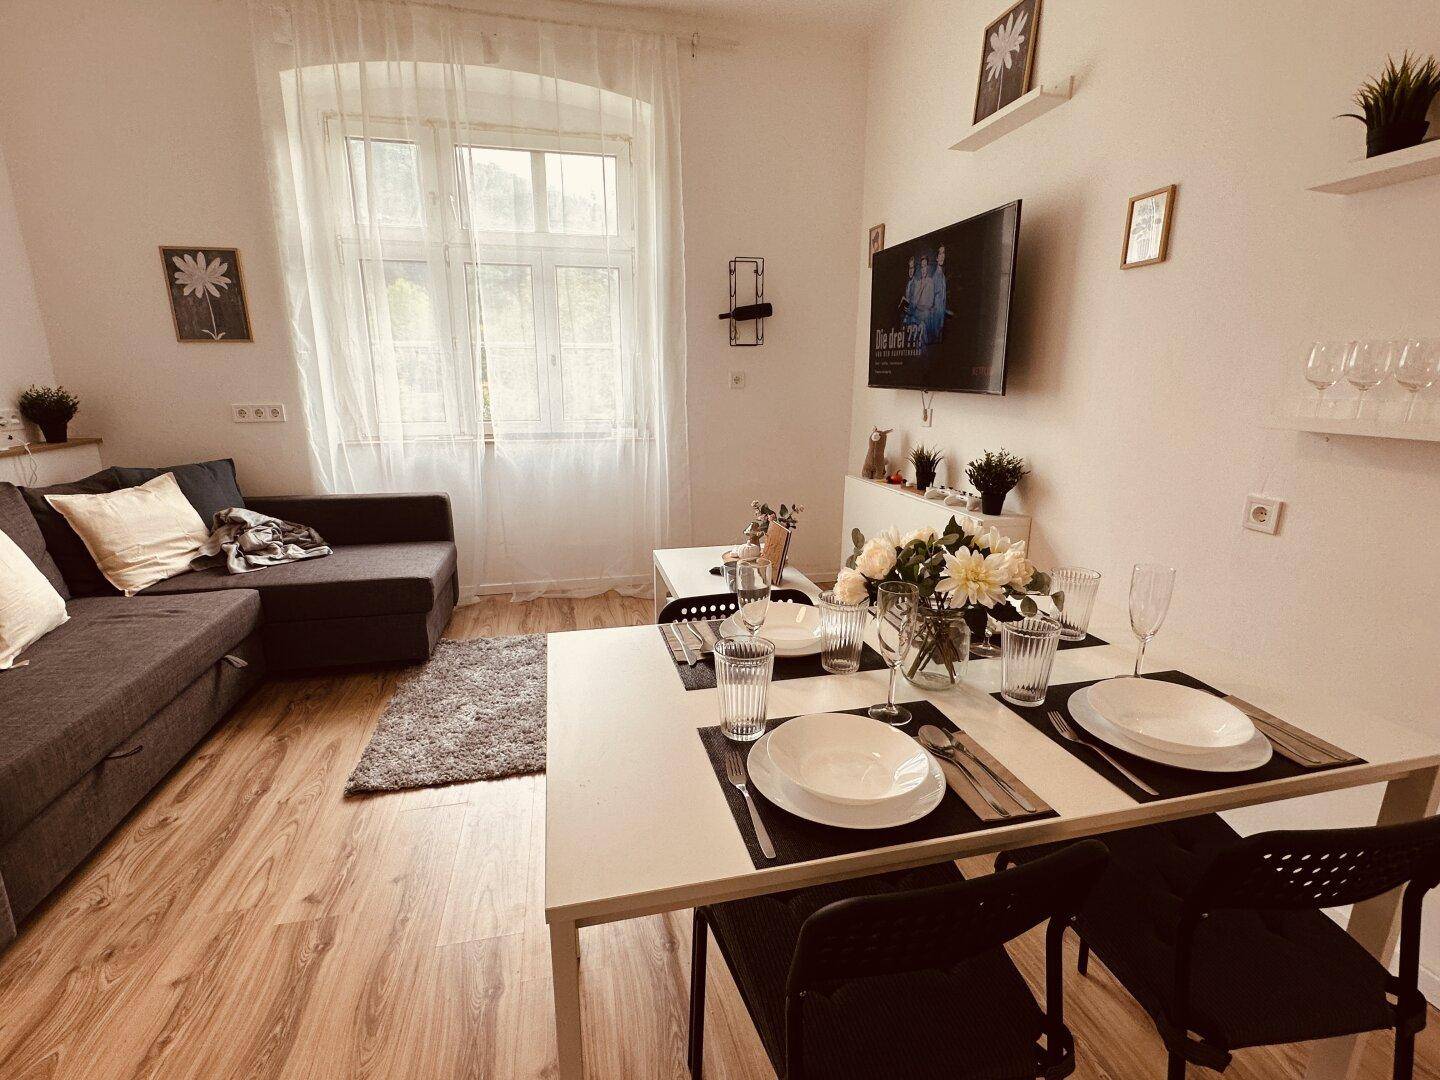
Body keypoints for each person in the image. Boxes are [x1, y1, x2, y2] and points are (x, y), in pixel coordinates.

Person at [925, 245, 949, 344]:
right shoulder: (935, 277)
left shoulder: (942, 276)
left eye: (944, 253)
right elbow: (931, 304)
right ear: (936, 257)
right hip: (935, 322)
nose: (942, 256)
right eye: (940, 254)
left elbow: (942, 300)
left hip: (941, 321)